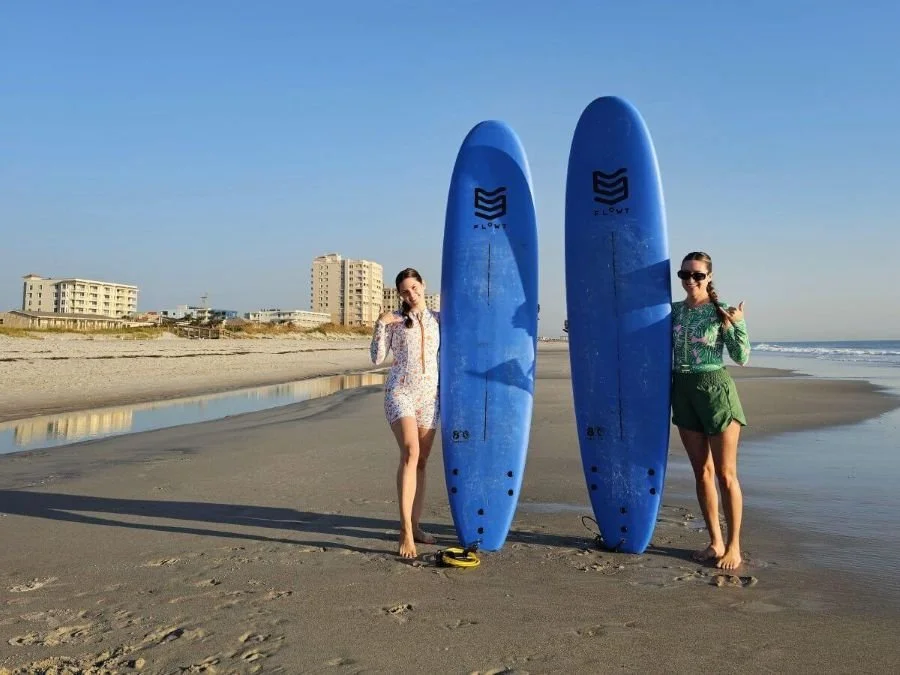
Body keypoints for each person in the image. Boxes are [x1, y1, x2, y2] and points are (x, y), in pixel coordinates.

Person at [671, 251, 750, 570]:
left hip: (715, 389)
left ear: (709, 277)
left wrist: (739, 324)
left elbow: (741, 356)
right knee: (701, 472)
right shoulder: (672, 311)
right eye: (685, 275)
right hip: (683, 390)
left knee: (725, 474)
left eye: (697, 275)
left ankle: (734, 547)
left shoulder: (720, 312)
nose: (690, 280)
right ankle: (715, 542)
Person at [370, 268, 441, 559]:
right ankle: (405, 531)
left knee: (422, 461)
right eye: (404, 291)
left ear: (423, 286)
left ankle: (416, 524)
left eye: (413, 288)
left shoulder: (439, 320)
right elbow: (376, 358)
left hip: (430, 397)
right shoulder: (397, 321)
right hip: (400, 393)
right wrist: (380, 324)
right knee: (410, 453)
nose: (410, 295)